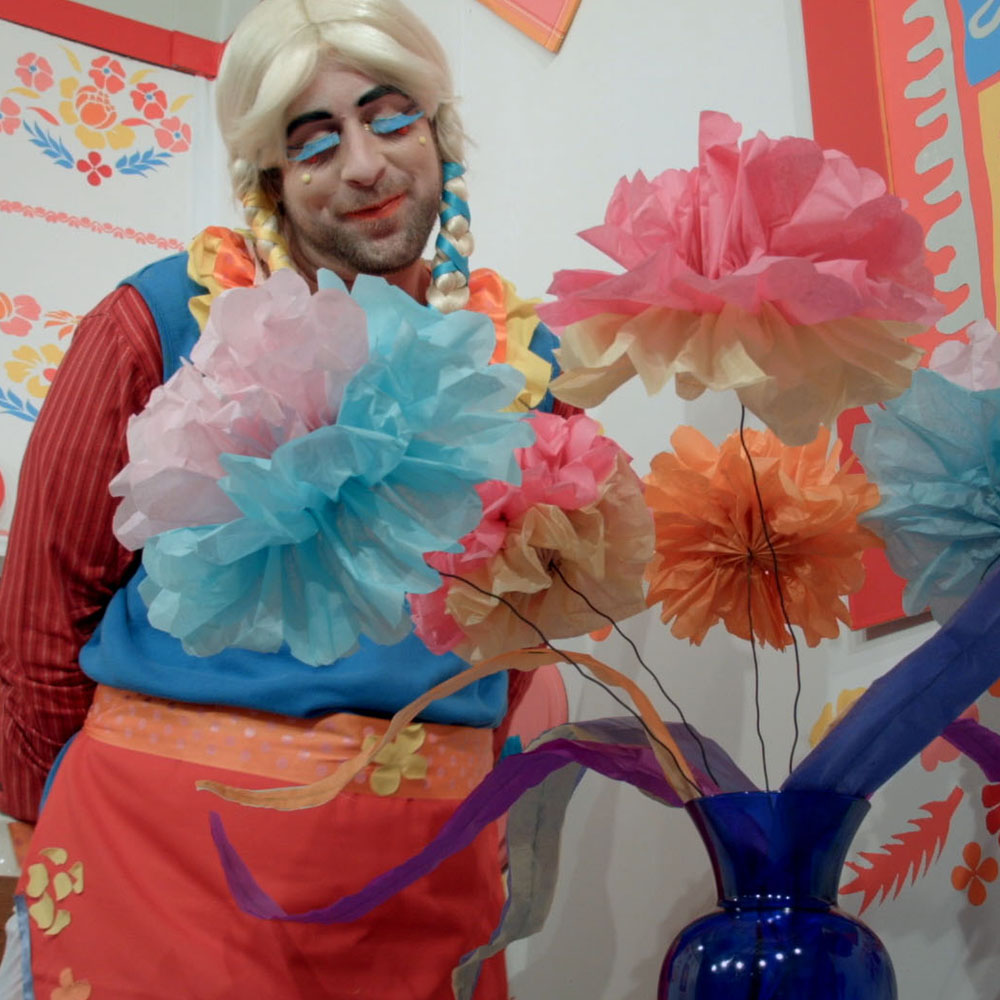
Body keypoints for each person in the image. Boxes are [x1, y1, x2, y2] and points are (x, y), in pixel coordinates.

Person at [0, 1, 572, 996]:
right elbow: (43, 617)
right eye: (315, 141)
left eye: (389, 118)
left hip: (424, 876)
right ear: (269, 175)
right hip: (153, 867)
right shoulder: (156, 321)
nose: (365, 165)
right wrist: (40, 826)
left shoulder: (523, 367)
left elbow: (532, 621)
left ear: (439, 131)